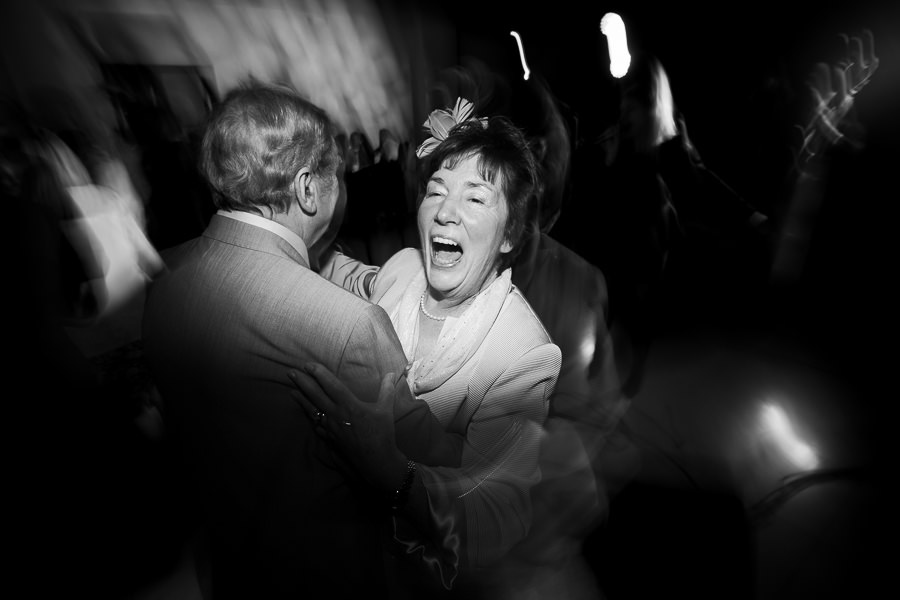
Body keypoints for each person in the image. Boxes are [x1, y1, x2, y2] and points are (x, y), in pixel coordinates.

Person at [140, 80, 463, 600]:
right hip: (334, 576)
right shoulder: (348, 327)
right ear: (308, 189)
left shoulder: (163, 285)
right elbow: (439, 468)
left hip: (231, 568)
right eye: (337, 174)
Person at [291, 100, 562, 596]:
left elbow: (494, 521)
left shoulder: (523, 354)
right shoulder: (403, 267)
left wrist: (388, 470)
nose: (445, 211)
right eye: (435, 190)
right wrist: (297, 217)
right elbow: (348, 274)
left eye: (476, 200)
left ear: (510, 236)